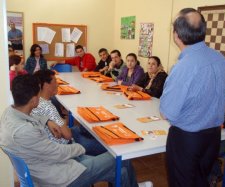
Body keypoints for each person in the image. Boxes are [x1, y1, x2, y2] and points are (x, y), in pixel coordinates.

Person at [0, 74, 141, 187]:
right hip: (61, 178)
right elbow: (59, 153)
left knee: (121, 172)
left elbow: (33, 116)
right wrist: (80, 148)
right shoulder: (25, 131)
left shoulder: (9, 113)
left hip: (46, 167)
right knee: (122, 159)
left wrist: (47, 121)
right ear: (34, 99)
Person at [159, 8, 225, 187]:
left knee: (182, 183)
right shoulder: (220, 59)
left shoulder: (183, 67)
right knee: (201, 181)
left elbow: (167, 113)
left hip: (188, 139)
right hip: (213, 136)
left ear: (176, 35)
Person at [32, 69, 106, 155]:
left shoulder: (35, 101)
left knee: (82, 128)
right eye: (55, 81)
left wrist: (63, 122)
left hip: (54, 139)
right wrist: (64, 121)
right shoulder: (48, 107)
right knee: (103, 146)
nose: (57, 84)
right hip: (67, 145)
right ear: (46, 85)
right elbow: (68, 135)